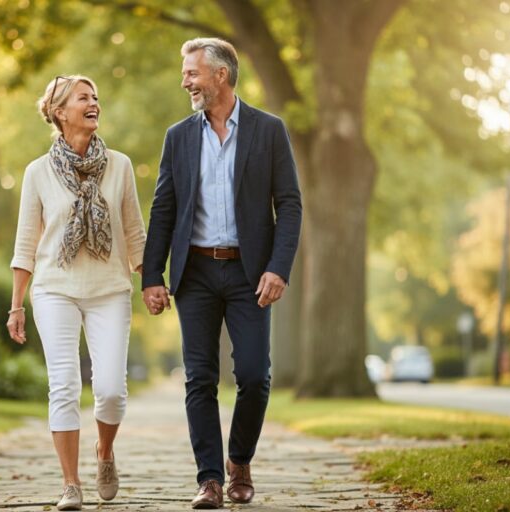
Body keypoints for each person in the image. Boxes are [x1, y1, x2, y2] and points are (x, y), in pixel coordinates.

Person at [142, 38, 302, 509]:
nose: (185, 80)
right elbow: (164, 207)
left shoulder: (268, 130)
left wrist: (279, 268)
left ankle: (240, 461)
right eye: (185, 72)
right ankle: (210, 479)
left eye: (192, 72)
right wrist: (153, 276)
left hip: (250, 274)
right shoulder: (178, 136)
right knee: (199, 378)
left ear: (221, 76)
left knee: (254, 375)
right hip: (194, 273)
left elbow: (289, 204)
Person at [7, 75, 146, 511]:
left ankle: (104, 453)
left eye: (96, 98)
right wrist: (16, 305)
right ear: (60, 112)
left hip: (109, 288)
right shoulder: (38, 172)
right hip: (55, 289)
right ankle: (70, 483)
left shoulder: (120, 165)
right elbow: (26, 243)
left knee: (109, 390)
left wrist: (153, 281)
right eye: (84, 98)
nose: (94, 104)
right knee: (64, 385)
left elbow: (134, 232)